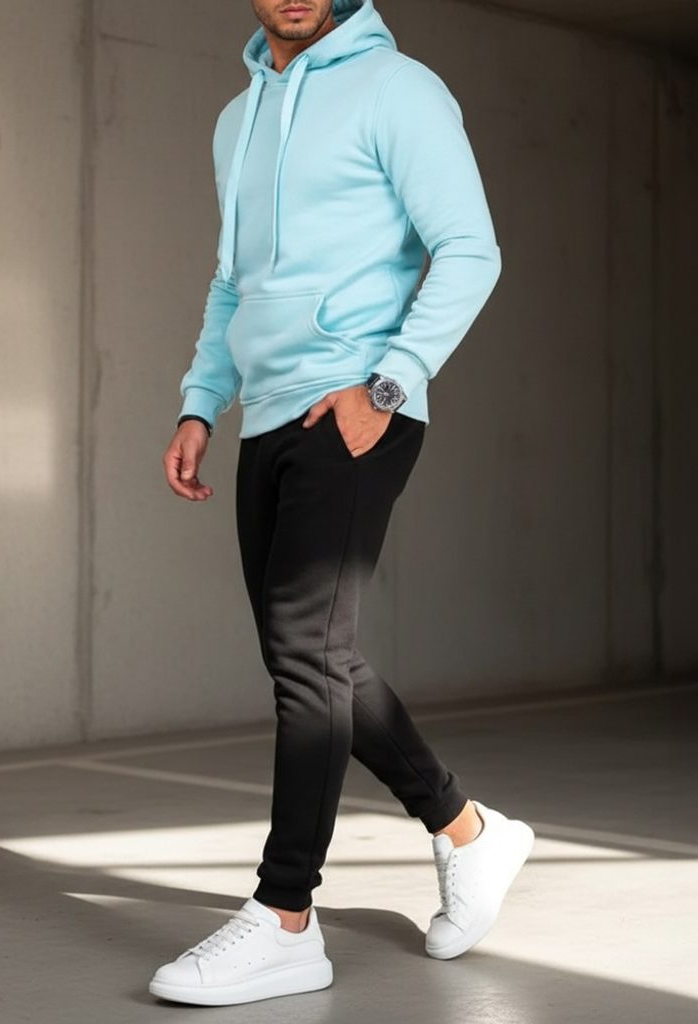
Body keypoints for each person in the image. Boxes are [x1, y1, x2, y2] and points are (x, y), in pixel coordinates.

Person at [153, 0, 533, 1006]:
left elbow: (471, 249)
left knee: (304, 656)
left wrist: (387, 385)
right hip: (267, 413)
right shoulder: (236, 120)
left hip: (358, 407)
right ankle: (469, 833)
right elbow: (230, 283)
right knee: (314, 655)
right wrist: (201, 402)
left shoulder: (398, 89)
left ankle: (286, 917)